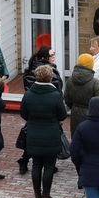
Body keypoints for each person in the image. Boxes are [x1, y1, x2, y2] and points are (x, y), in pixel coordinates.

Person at [19, 65, 68, 198]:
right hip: (51, 134)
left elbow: (23, 114)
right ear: (50, 77)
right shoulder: (55, 95)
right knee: (49, 166)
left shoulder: (28, 94)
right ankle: (46, 196)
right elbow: (63, 115)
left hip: (33, 134)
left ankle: (37, 195)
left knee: (36, 165)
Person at [17, 46, 64, 174]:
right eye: (51, 54)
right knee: (48, 137)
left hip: (36, 110)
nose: (54, 56)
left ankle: (25, 160)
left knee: (34, 136)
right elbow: (55, 89)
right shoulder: (43, 71)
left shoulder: (35, 68)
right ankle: (47, 162)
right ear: (45, 57)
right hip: (46, 109)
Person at [64, 53, 99, 136]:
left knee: (76, 137)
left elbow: (67, 99)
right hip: (91, 115)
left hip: (75, 113)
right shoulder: (95, 83)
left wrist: (74, 106)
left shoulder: (70, 80)